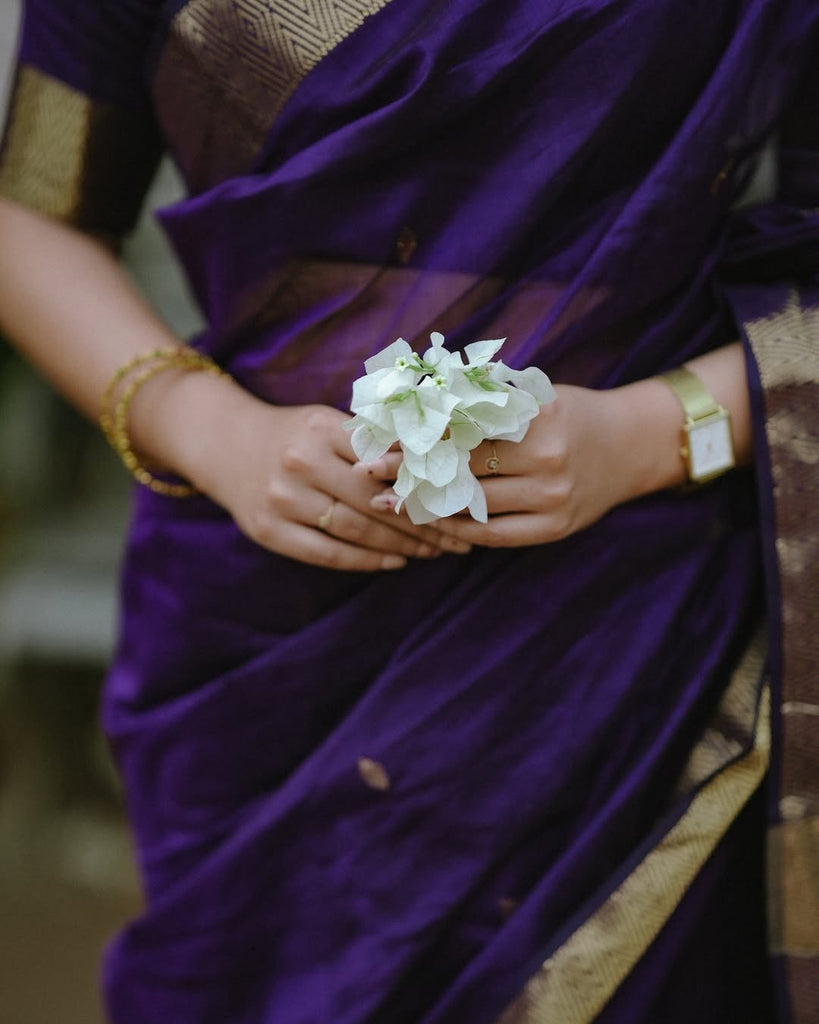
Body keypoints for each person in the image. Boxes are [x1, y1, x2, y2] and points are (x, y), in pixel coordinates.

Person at [0, 1, 817, 1021]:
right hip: (276, 635)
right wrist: (210, 431)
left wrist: (657, 432)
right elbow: (33, 216)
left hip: (639, 641)